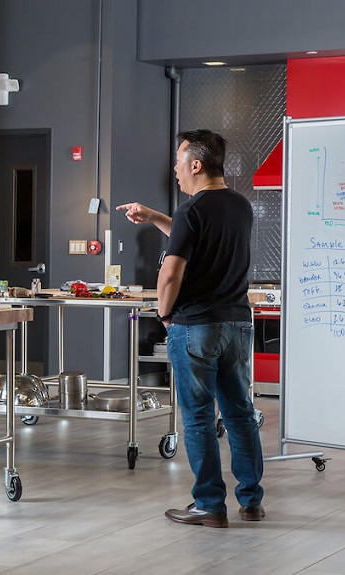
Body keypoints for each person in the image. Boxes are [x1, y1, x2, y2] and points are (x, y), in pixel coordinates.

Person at [116, 129, 264, 528]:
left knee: (198, 418)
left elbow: (171, 273)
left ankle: (209, 505)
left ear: (196, 165)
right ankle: (250, 501)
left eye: (179, 163)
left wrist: (165, 315)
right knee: (239, 414)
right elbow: (196, 234)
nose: (175, 170)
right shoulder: (240, 207)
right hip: (236, 323)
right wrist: (154, 217)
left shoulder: (191, 211)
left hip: (196, 326)